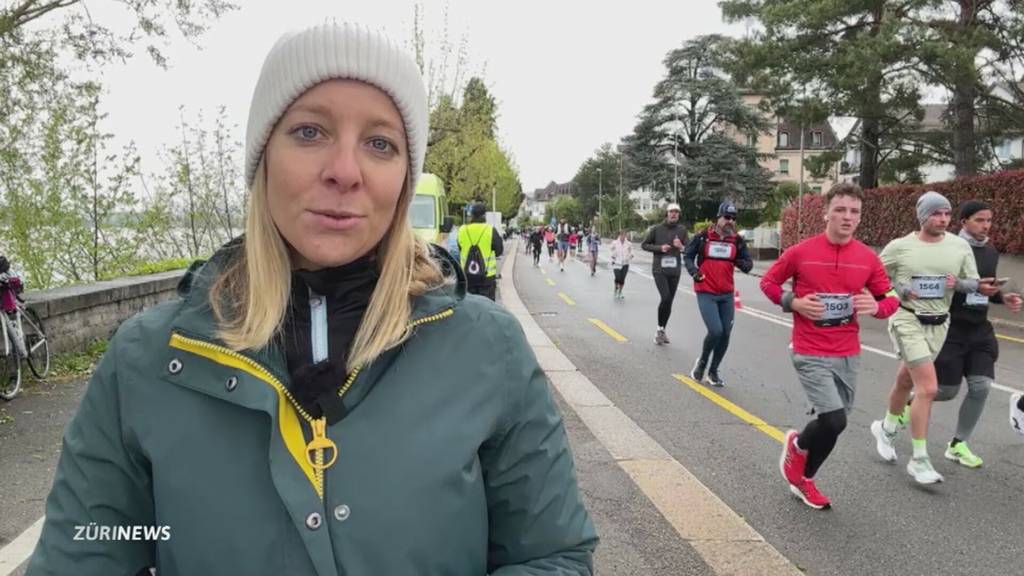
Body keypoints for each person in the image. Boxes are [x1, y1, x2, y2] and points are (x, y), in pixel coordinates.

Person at [26, 22, 596, 576]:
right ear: (262, 157)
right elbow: (89, 548)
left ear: (404, 176)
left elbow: (551, 555)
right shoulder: (147, 361)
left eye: (379, 143)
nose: (345, 172)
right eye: (309, 132)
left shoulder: (486, 349)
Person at [760, 183, 899, 509]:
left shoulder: (867, 258)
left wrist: (877, 308)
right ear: (825, 213)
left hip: (847, 352)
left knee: (833, 424)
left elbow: (890, 297)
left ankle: (801, 458)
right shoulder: (801, 252)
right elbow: (768, 282)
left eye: (854, 212)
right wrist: (793, 302)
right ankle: (802, 471)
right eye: (840, 210)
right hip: (809, 349)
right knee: (835, 419)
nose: (847, 217)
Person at [869, 191, 985, 485]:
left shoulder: (959, 246)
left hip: (940, 323)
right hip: (907, 319)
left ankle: (886, 427)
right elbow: (874, 277)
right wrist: (901, 288)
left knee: (905, 381)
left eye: (947, 214)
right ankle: (919, 460)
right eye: (936, 214)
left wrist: (957, 283)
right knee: (928, 388)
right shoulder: (900, 247)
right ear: (923, 217)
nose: (943, 219)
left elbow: (973, 283)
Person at [931, 200, 1022, 467]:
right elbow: (940, 286)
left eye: (989, 220)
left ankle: (958, 444)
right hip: (951, 328)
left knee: (981, 386)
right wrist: (970, 288)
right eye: (979, 220)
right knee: (946, 391)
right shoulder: (948, 249)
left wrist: (1003, 298)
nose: (986, 226)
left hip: (979, 330)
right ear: (964, 222)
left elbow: (987, 290)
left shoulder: (991, 253)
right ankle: (910, 403)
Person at [684, 201, 753, 387]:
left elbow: (747, 263)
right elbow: (688, 256)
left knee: (726, 333)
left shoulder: (737, 240)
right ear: (719, 217)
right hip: (706, 290)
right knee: (715, 330)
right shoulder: (703, 237)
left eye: (733, 218)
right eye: (727, 217)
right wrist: (694, 272)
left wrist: (742, 263)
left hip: (726, 293)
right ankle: (702, 362)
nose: (730, 221)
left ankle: (713, 371)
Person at [641, 203, 687, 345]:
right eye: (671, 212)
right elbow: (644, 245)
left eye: (676, 212)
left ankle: (662, 330)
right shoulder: (656, 229)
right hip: (659, 270)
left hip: (675, 270)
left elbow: (689, 249)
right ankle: (660, 330)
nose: (674, 214)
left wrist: (681, 247)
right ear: (666, 214)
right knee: (665, 297)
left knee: (669, 302)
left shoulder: (682, 230)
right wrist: (660, 248)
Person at [458, 202, 504, 301]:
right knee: (488, 307)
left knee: (469, 306)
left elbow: (459, 247)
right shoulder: (490, 230)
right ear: (484, 215)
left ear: (472, 215)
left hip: (467, 275)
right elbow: (499, 250)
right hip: (486, 277)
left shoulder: (462, 230)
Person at [609, 230, 634, 299]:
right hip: (616, 263)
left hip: (625, 263)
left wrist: (631, 255)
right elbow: (610, 249)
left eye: (624, 235)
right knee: (618, 277)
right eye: (622, 235)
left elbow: (632, 251)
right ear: (619, 235)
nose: (623, 237)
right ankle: (615, 290)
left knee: (622, 279)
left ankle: (620, 292)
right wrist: (613, 255)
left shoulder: (628, 243)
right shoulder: (615, 243)